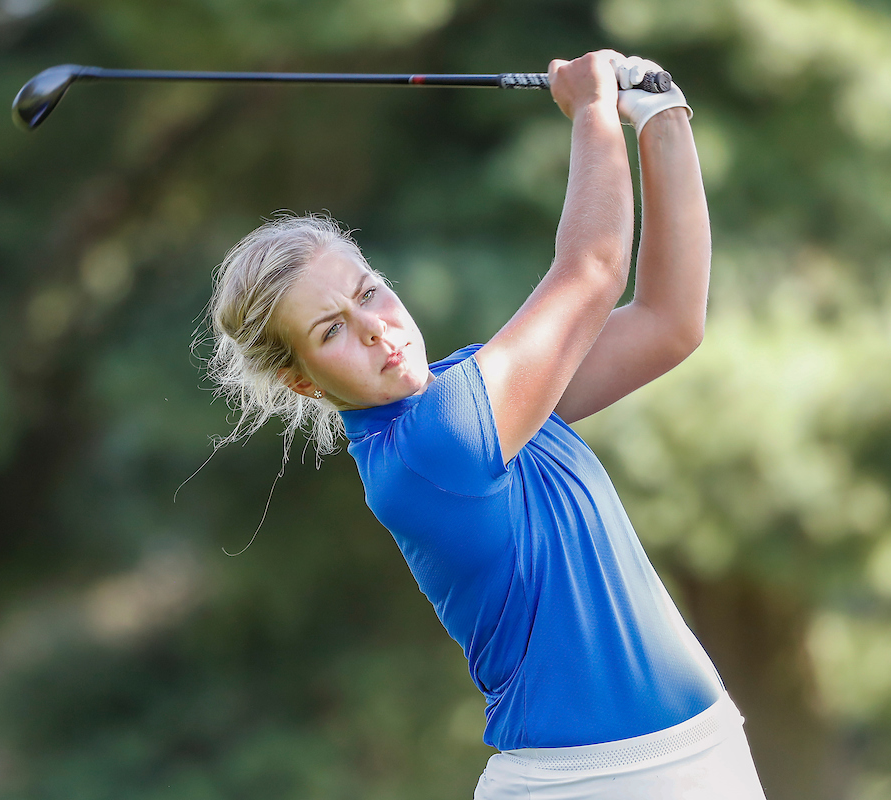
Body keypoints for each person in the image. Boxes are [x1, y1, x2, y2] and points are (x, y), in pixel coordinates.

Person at [205, 50, 767, 800]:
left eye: (369, 291)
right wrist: (593, 113)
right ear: (300, 379)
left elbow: (669, 323)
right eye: (332, 330)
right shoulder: (436, 443)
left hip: (699, 755)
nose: (375, 328)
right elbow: (593, 271)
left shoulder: (477, 395)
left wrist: (661, 118)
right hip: (594, 785)